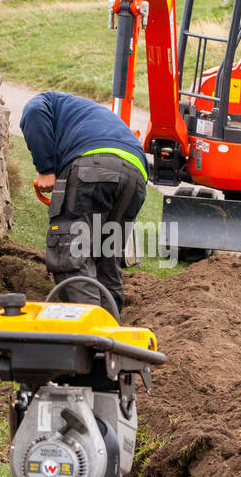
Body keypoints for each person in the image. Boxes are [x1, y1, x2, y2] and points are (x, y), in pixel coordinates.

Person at [20, 90, 148, 313]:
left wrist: (46, 169)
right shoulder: (85, 112)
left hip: (93, 167)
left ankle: (87, 335)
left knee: (71, 253)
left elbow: (34, 112)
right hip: (136, 176)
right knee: (106, 260)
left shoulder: (46, 101)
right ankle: (110, 336)